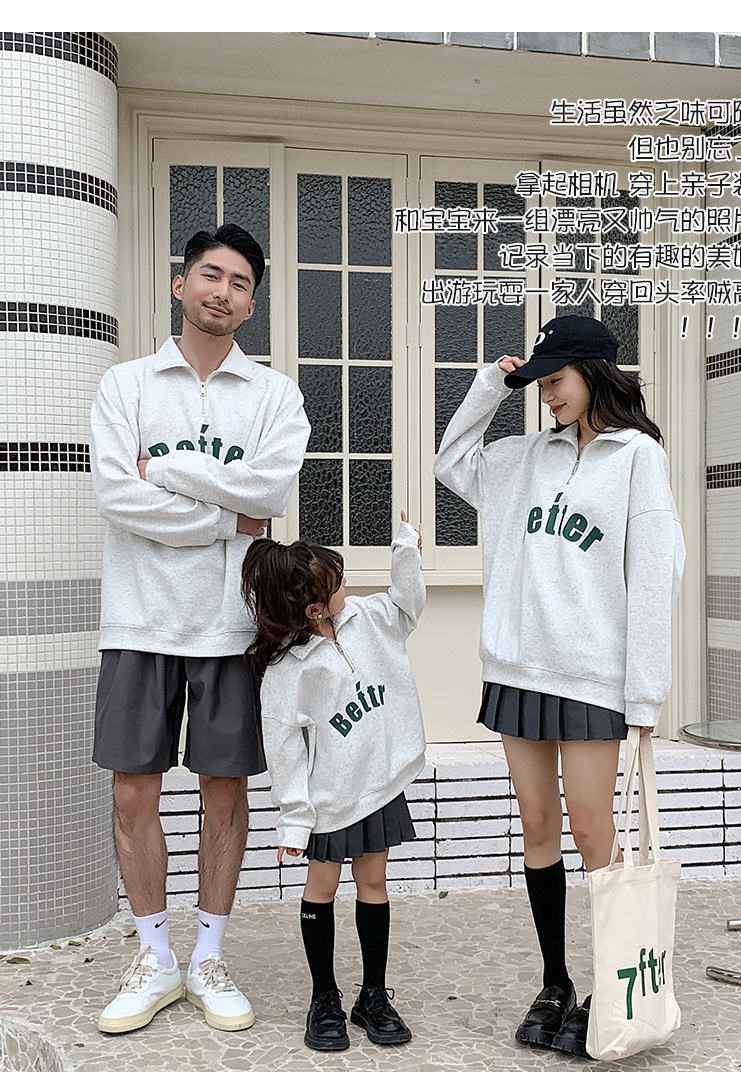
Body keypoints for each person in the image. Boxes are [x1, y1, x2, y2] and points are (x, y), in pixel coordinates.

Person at [434, 315, 685, 1059]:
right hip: (519, 669)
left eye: (556, 380)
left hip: (594, 678)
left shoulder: (638, 457)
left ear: (594, 374)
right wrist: (492, 383)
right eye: (539, 384)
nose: (546, 396)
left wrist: (644, 695)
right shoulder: (522, 459)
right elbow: (452, 460)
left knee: (592, 831)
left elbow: (655, 576)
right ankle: (555, 983)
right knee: (539, 825)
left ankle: (611, 987)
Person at [90, 224, 310, 1035]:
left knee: (226, 792)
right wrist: (228, 518)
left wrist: (169, 472)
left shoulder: (275, 396)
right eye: (211, 275)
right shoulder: (125, 385)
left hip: (231, 623)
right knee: (133, 792)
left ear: (251, 305)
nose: (223, 291)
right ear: (181, 284)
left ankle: (208, 955)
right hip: (139, 618)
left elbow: (270, 492)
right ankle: (155, 957)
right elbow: (118, 496)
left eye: (240, 282)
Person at [240, 513, 426, 1052]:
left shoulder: (369, 617)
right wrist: (294, 820)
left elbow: (408, 605)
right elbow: (285, 753)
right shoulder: (287, 673)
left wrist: (406, 550)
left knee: (374, 884)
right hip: (329, 801)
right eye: (337, 581)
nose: (347, 584)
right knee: (321, 888)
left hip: (378, 785)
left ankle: (373, 995)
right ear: (314, 608)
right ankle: (324, 998)